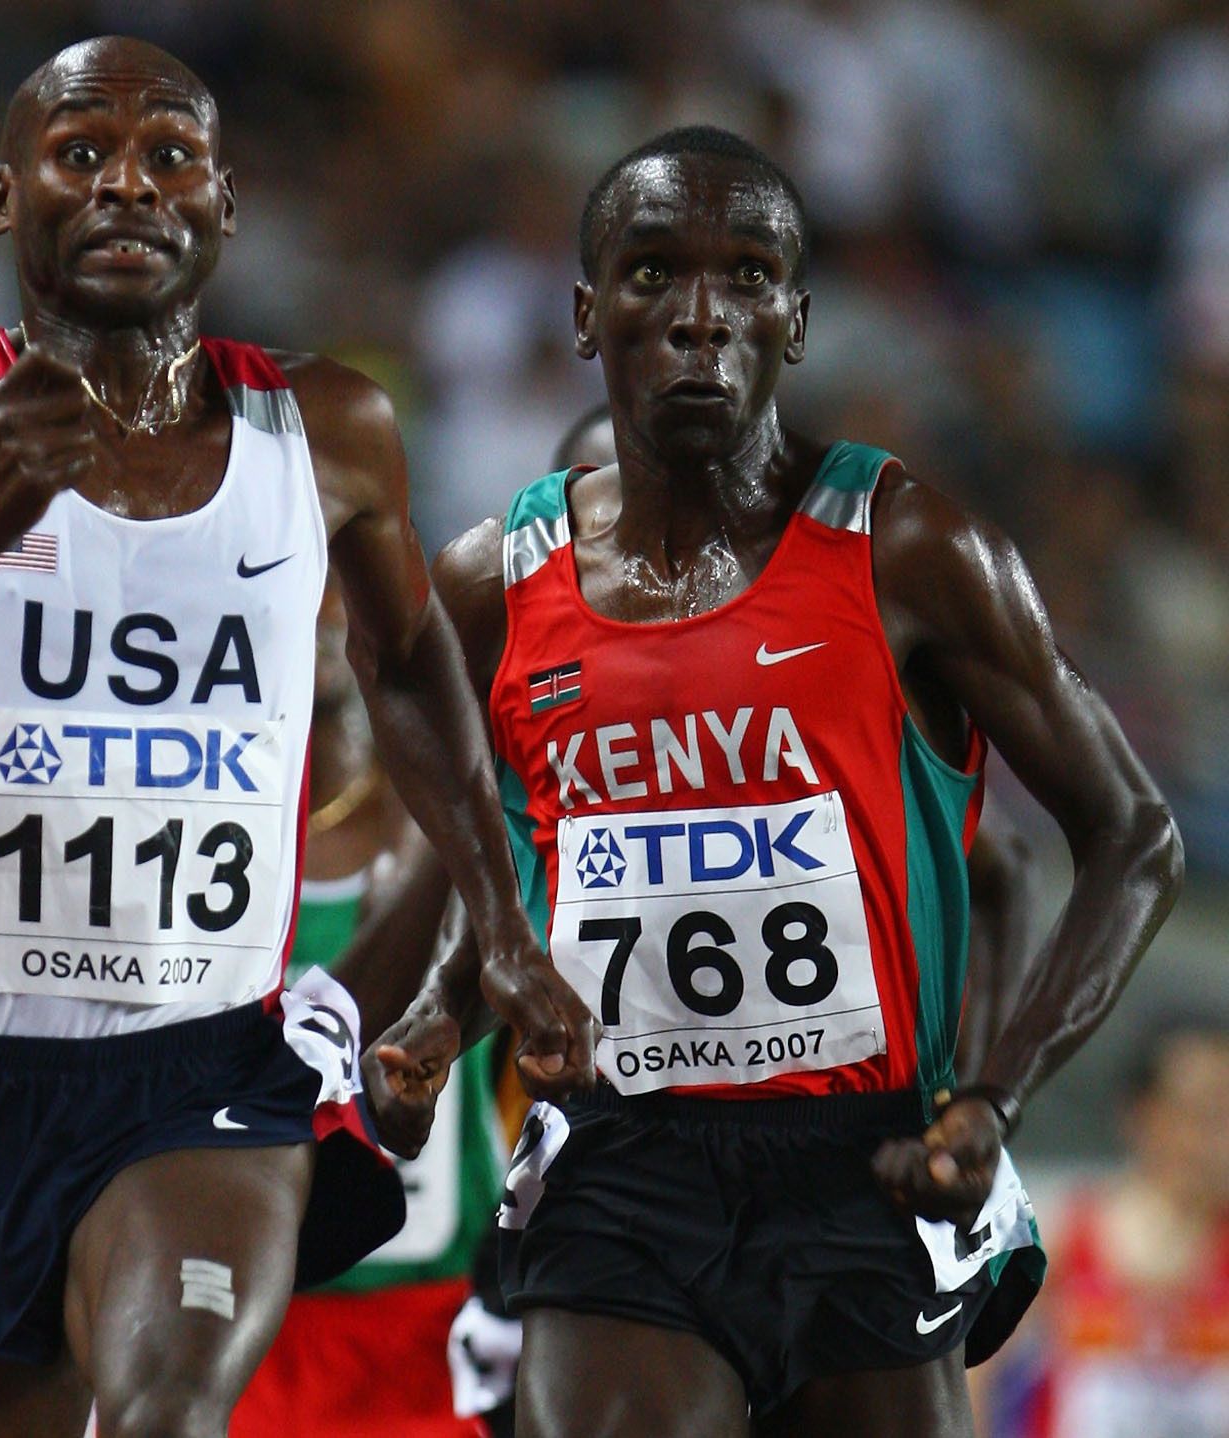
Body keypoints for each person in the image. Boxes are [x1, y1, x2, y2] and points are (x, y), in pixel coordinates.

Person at [0, 35, 593, 1438]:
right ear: (6, 197)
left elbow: (421, 679)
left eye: (169, 156)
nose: (129, 183)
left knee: (169, 1408)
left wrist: (500, 923)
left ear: (225, 205)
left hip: (208, 1071)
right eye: (84, 154)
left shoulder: (331, 429)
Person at [369, 125, 1183, 1437]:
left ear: (797, 319)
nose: (700, 317)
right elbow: (522, 837)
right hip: (620, 1163)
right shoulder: (496, 581)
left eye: (747, 275)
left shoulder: (912, 551)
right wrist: (444, 1004)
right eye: (651, 274)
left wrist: (994, 1091)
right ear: (586, 313)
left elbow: (1134, 834)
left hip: (863, 1165)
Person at [227, 579, 499, 1438]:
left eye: (333, 575)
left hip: (432, 1342)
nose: (309, 607)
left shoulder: (459, 826)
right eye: (271, 575)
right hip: (237, 1337)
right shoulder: (173, 847)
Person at [978, 1014, 1229, 1437]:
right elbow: (977, 1368)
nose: (1214, 1140)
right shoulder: (1062, 1240)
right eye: (1200, 1113)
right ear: (1143, 1115)